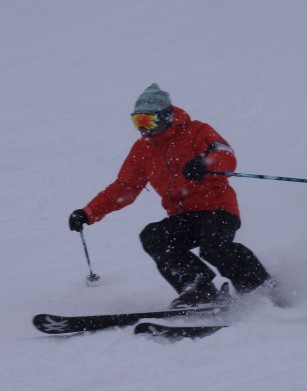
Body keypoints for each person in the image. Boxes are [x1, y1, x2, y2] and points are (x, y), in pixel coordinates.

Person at [68, 84, 282, 308]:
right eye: (137, 121)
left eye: (147, 121)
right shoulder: (142, 150)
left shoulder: (197, 131)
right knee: (154, 236)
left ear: (166, 116)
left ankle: (261, 289)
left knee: (214, 248)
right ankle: (199, 291)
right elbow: (124, 187)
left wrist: (205, 162)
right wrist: (88, 212)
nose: (143, 128)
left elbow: (225, 155)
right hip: (186, 215)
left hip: (218, 209)